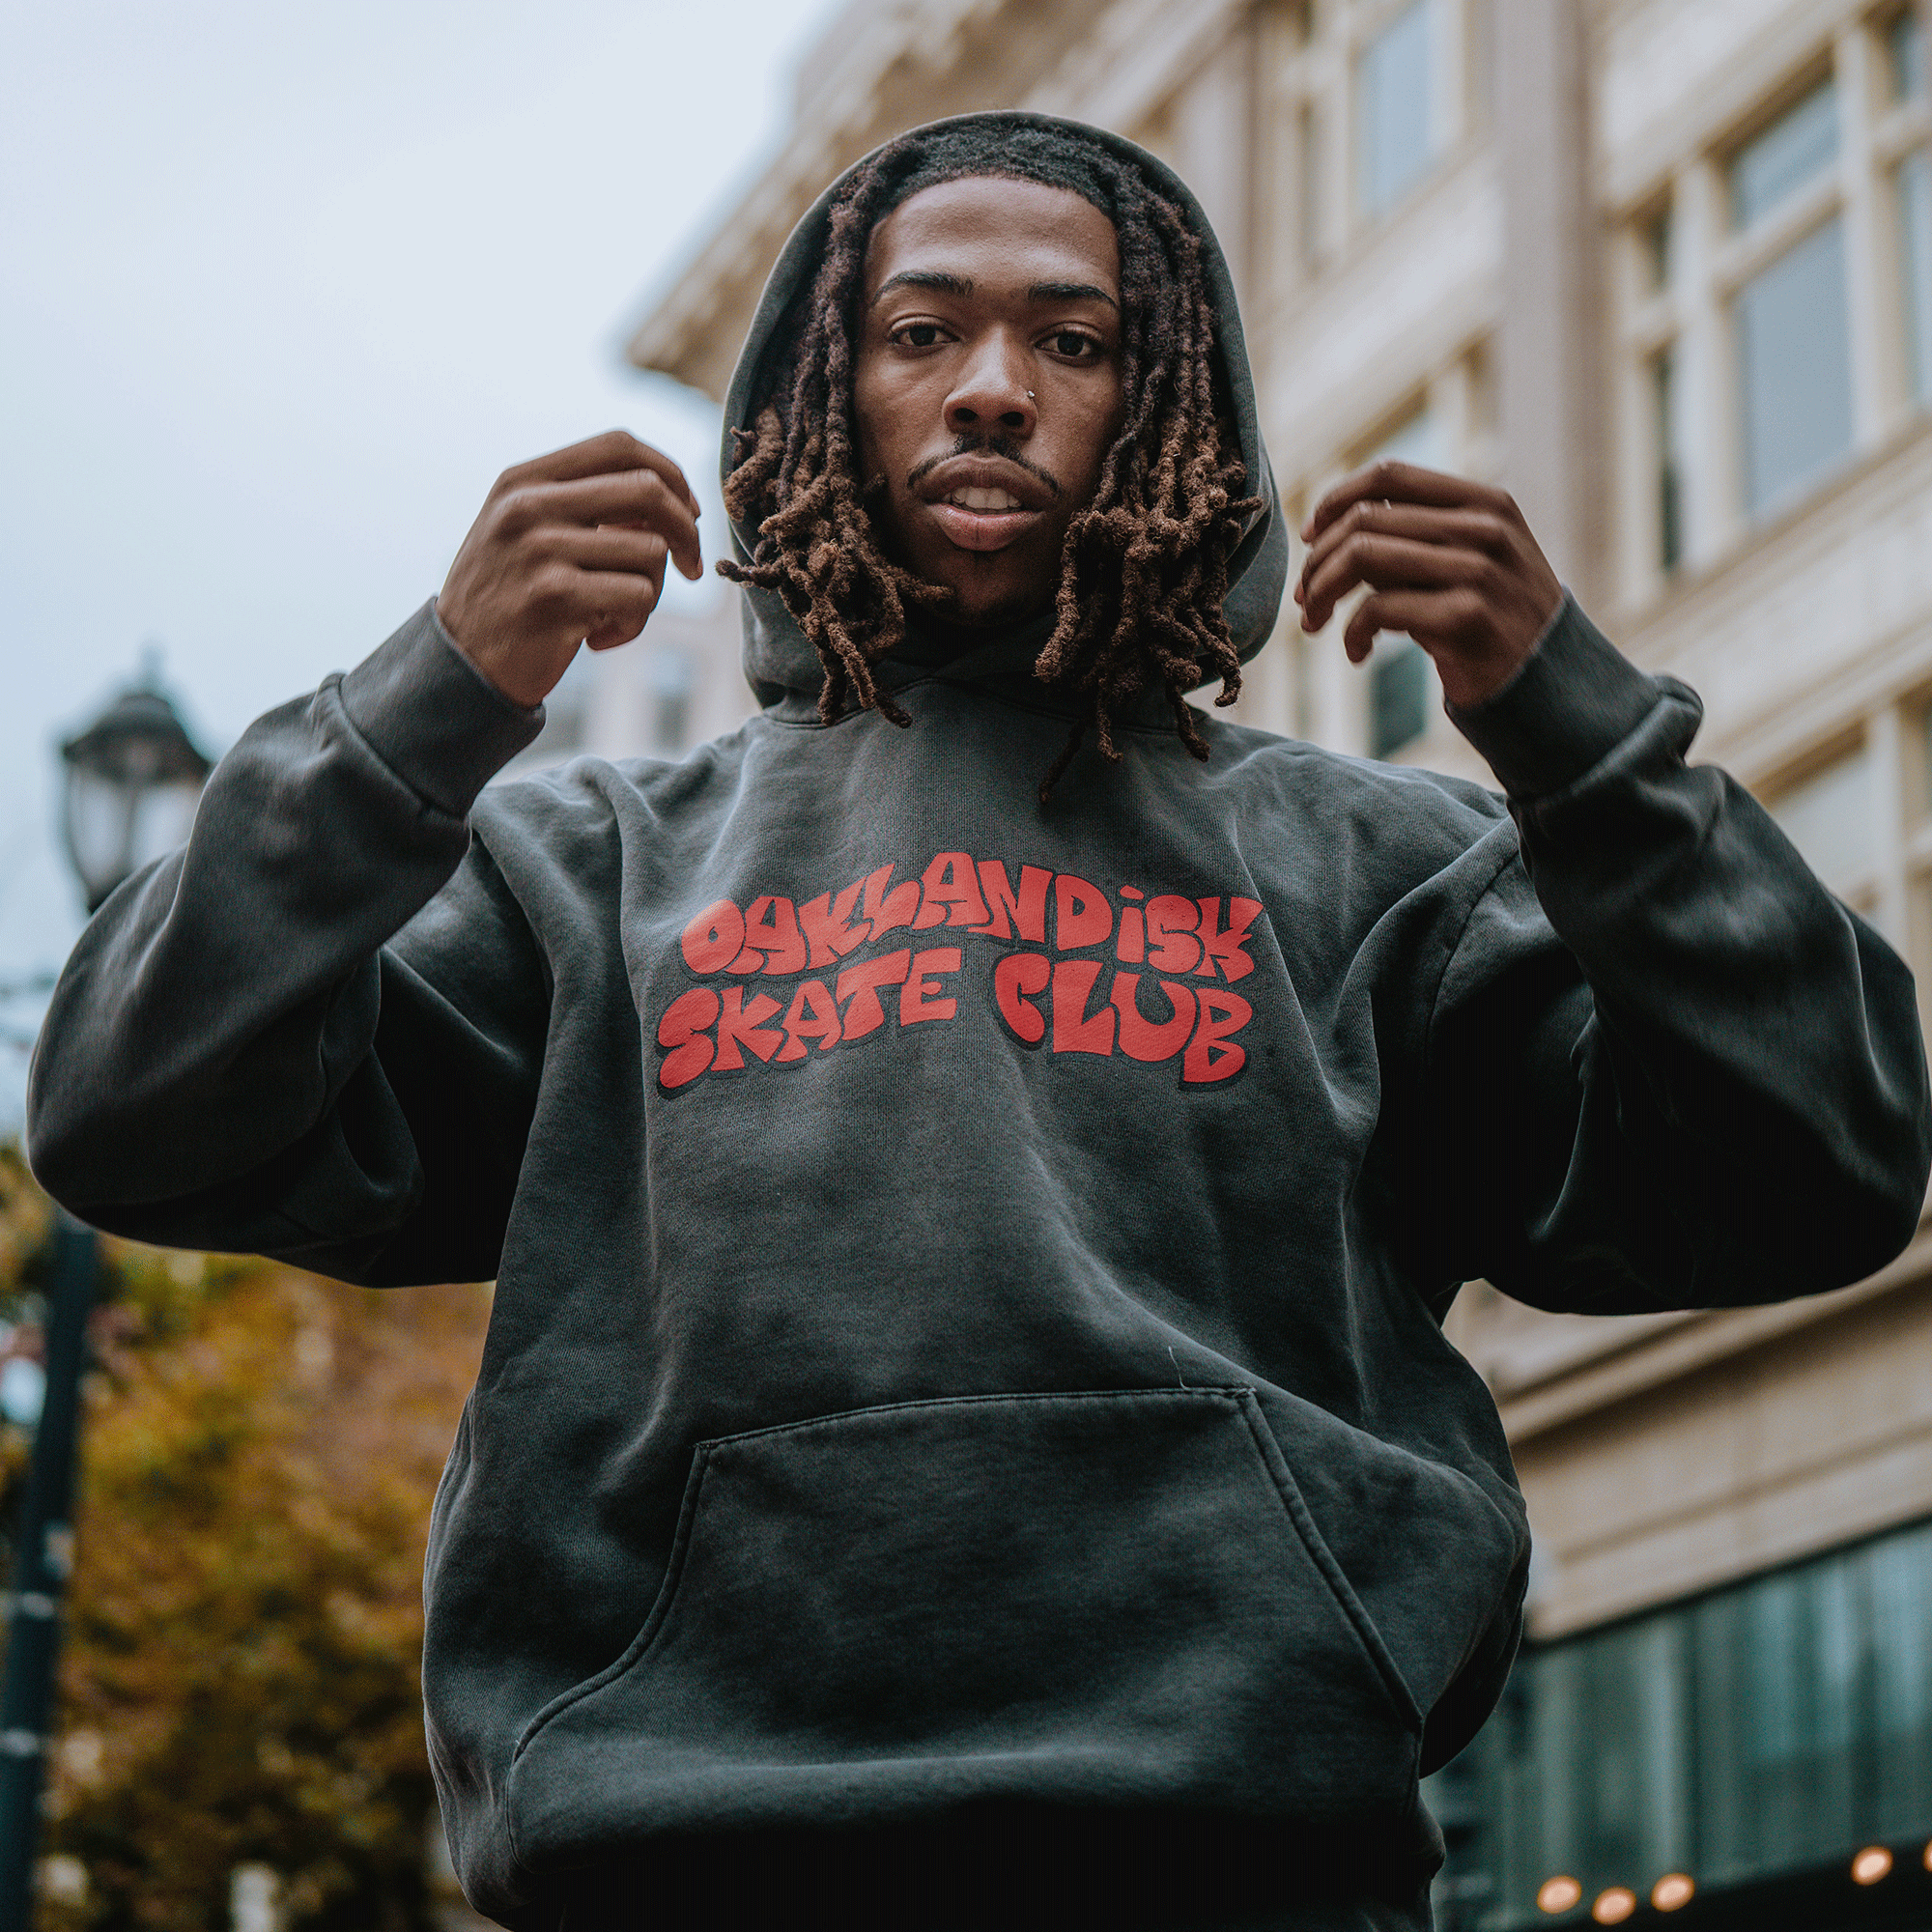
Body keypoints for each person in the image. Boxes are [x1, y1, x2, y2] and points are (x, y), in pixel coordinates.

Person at [26, 112, 1931, 1932]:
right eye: (921, 331)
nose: (995, 387)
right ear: (819, 395)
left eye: (1071, 339)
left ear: (1164, 402)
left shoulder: (1382, 873)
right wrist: (430, 695)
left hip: (1248, 1871)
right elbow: (127, 1107)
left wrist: (1576, 727)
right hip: (680, 1869)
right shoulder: (592, 873)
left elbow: (1833, 1152)